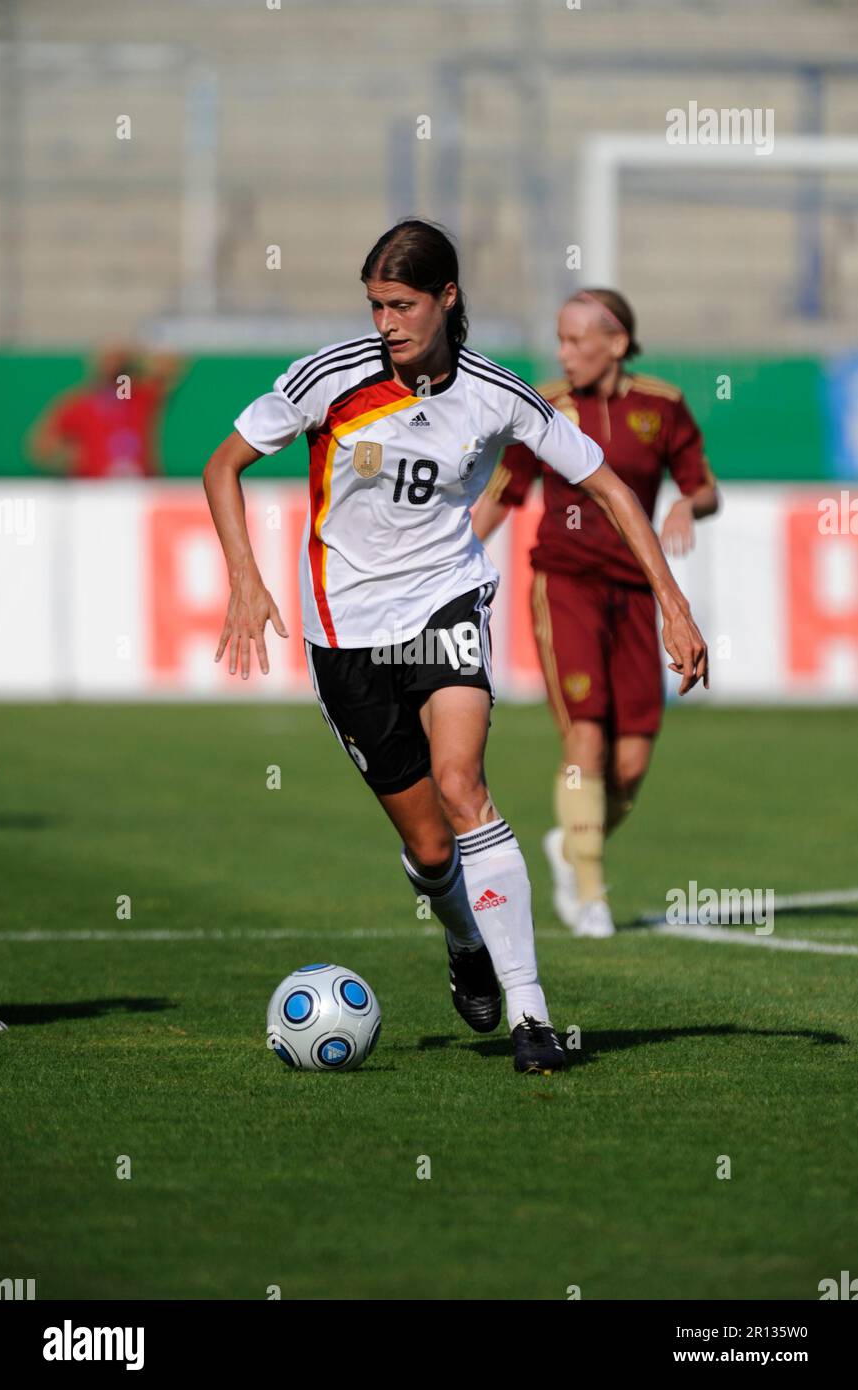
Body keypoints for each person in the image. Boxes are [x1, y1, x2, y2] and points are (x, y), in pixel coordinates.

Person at [202, 222, 708, 1075]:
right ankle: (462, 936)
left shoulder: (497, 395)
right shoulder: (331, 376)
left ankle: (532, 1017)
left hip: (444, 602)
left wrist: (674, 603)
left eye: (402, 305)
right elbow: (223, 466)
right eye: (374, 305)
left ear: (447, 298)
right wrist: (245, 580)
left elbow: (610, 488)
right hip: (345, 631)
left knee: (464, 785)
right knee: (432, 849)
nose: (386, 322)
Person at [473, 289, 719, 937]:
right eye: (559, 340)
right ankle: (589, 892)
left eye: (575, 340)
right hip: (566, 585)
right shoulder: (543, 406)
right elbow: (502, 496)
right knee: (585, 735)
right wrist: (441, 560)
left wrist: (682, 506)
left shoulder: (661, 407)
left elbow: (703, 486)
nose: (562, 353)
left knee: (631, 763)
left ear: (614, 342)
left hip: (639, 593)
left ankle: (570, 840)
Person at [29, 346, 180, 479]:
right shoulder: (81, 404)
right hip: (95, 490)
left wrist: (136, 359)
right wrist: (71, 457)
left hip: (140, 488)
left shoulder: (141, 398)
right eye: (109, 361)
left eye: (119, 363)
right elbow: (41, 446)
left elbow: (169, 369)